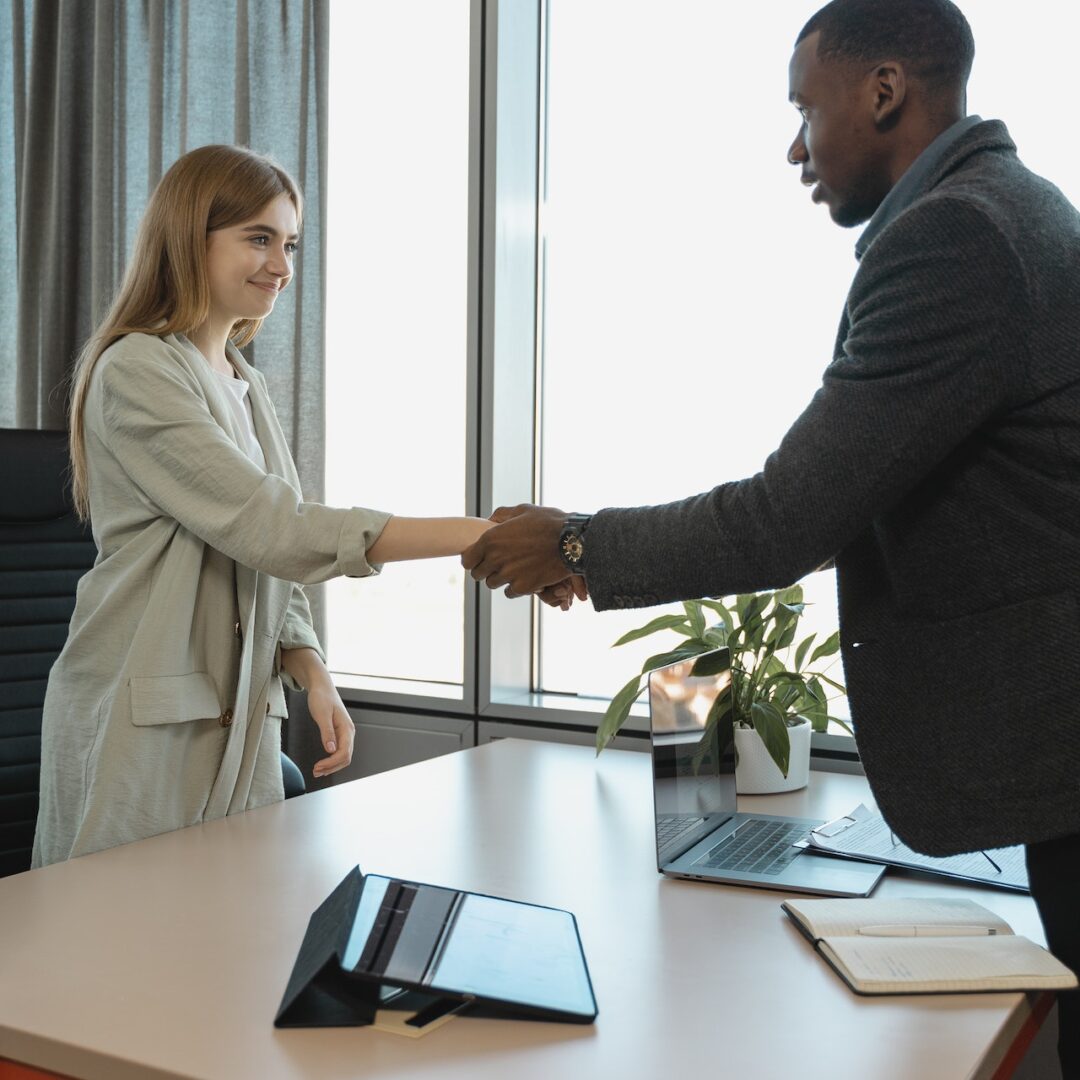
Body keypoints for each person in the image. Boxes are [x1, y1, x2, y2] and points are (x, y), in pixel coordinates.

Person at [462, 0, 1080, 1071]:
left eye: (806, 109)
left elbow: (791, 513)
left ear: (883, 90)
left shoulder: (958, 237)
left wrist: (574, 545)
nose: (796, 146)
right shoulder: (1017, 207)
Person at [33, 144, 493, 868]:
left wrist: (311, 669)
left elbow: (262, 554)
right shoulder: (138, 369)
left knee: (228, 938)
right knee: (116, 947)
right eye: (258, 238)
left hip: (243, 718)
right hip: (142, 716)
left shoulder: (245, 383)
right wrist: (478, 536)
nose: (280, 266)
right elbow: (274, 528)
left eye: (289, 244)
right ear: (190, 235)